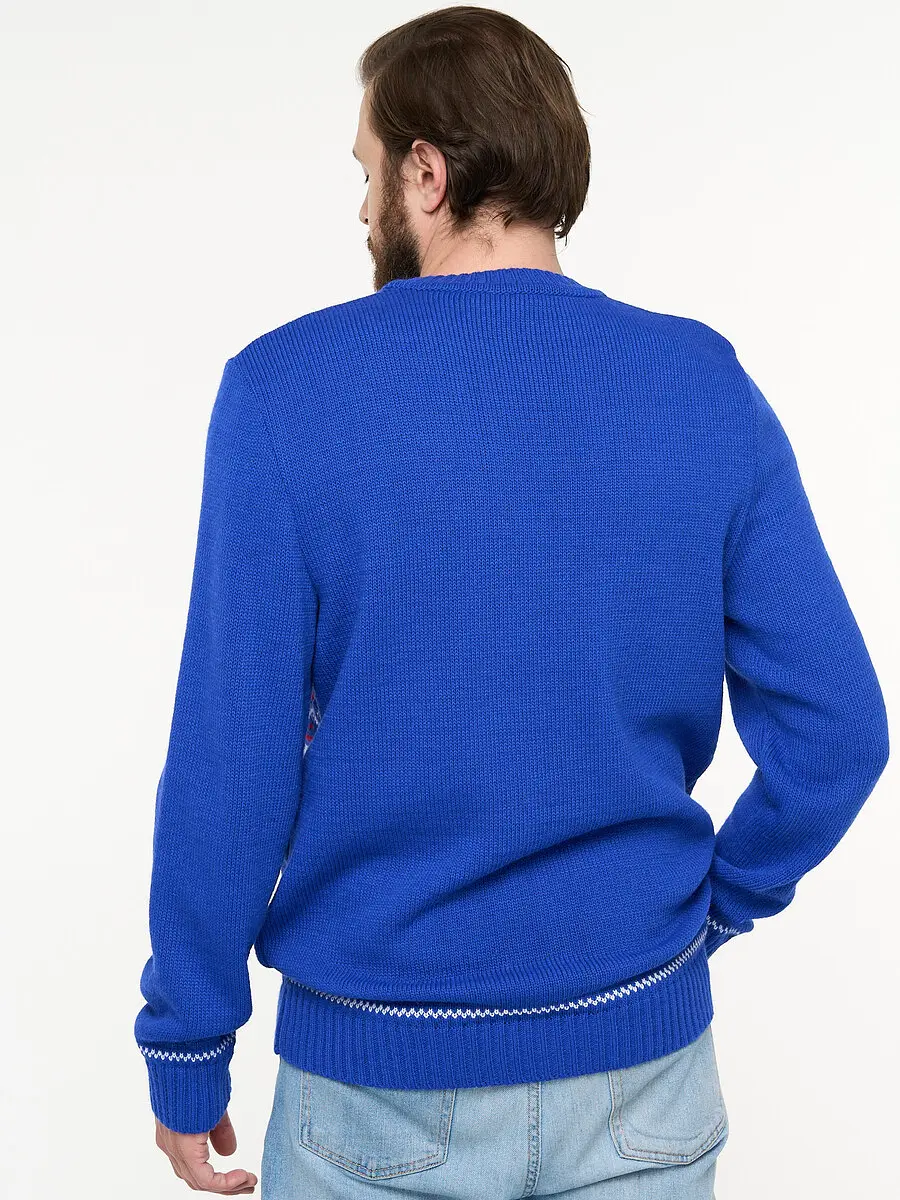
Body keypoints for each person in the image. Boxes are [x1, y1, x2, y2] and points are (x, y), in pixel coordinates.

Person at [134, 7, 890, 1197]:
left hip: (378, 1080)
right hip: (642, 1065)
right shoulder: (700, 384)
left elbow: (233, 759)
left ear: (426, 174)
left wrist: (186, 1041)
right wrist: (709, 913)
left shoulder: (283, 394)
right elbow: (839, 731)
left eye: (368, 172)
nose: (364, 206)